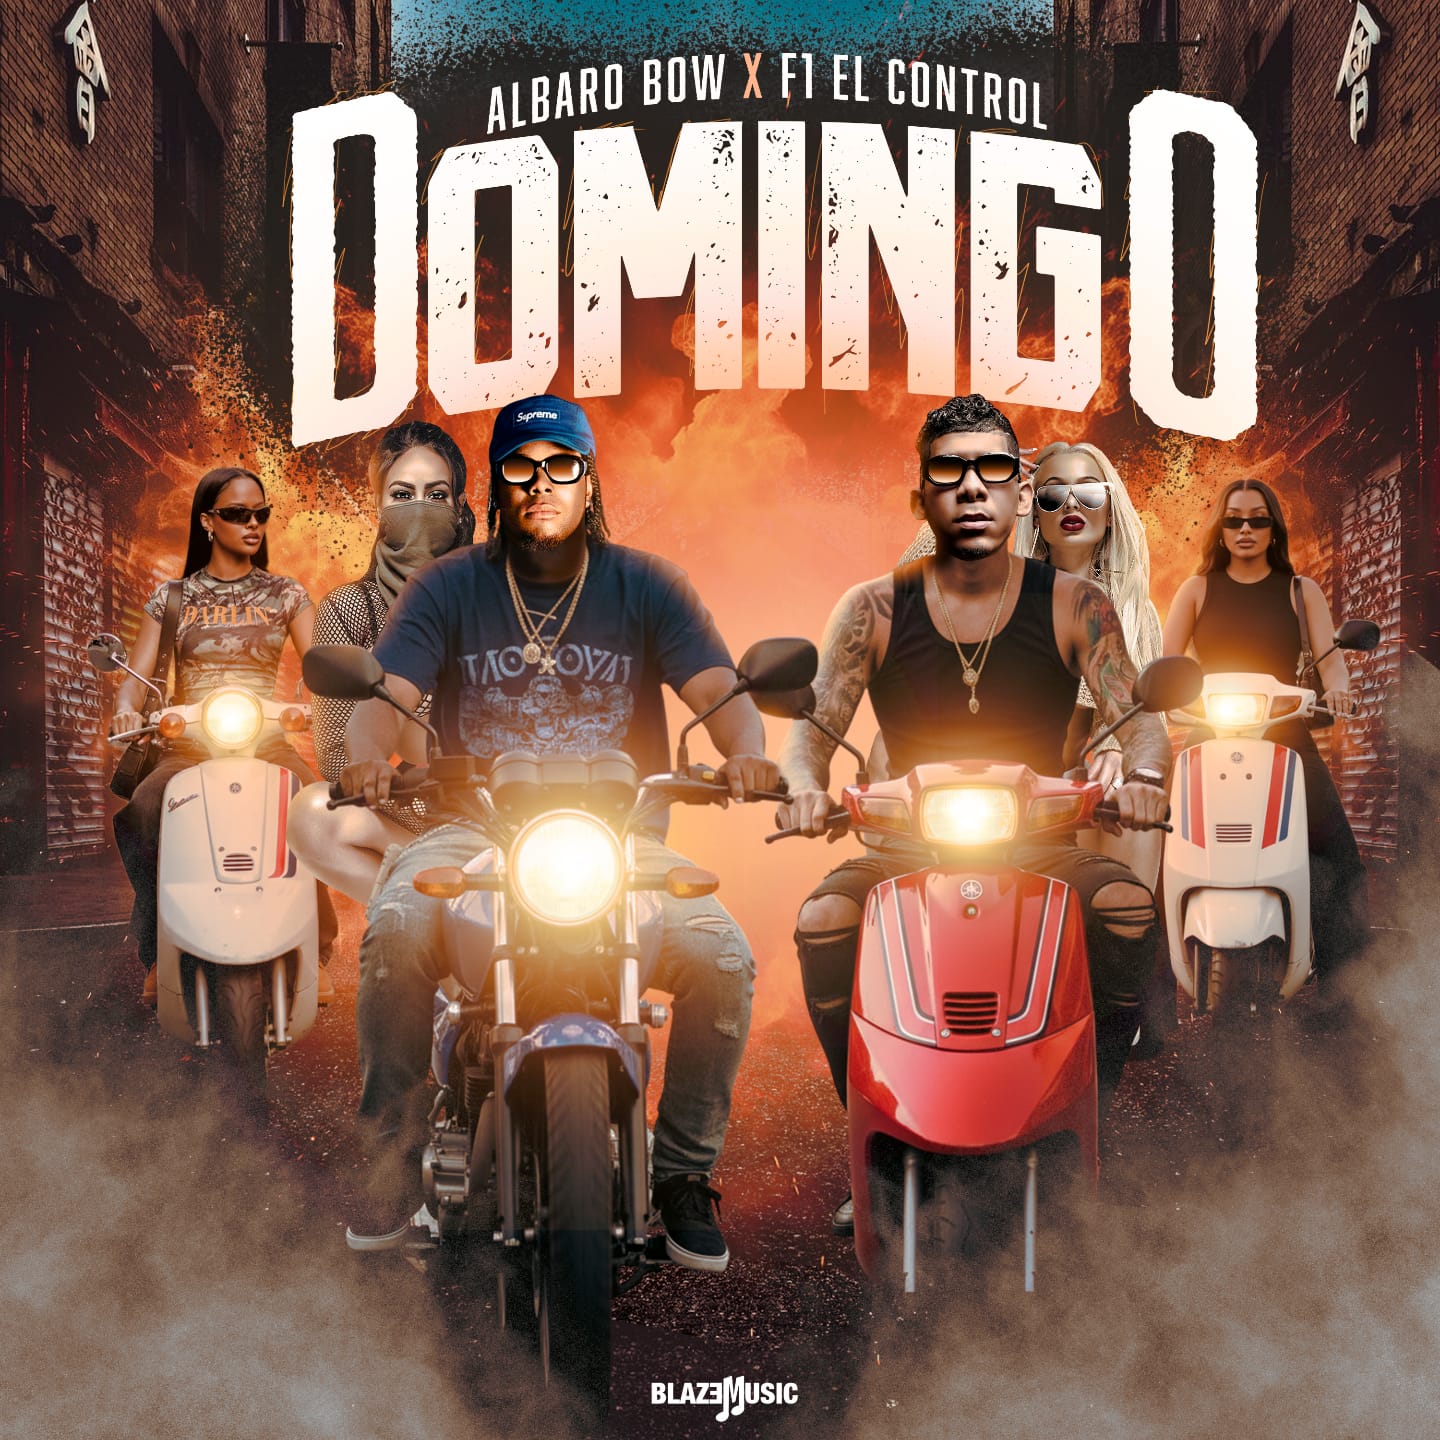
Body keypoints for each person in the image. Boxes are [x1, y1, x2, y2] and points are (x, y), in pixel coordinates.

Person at [337, 395, 782, 1270]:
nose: (540, 482)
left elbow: (720, 692)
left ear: (589, 479)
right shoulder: (448, 584)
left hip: (622, 839)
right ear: (497, 484)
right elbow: (385, 698)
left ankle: (683, 1173)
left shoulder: (647, 584)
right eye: (519, 466)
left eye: (560, 464)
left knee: (723, 958)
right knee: (394, 925)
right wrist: (365, 760)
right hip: (474, 829)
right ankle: (389, 1160)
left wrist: (748, 756)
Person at [777, 395, 1172, 1234]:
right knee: (823, 920)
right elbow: (815, 725)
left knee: (1125, 910)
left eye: (992, 468)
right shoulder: (871, 608)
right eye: (948, 469)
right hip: (903, 845)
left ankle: (1088, 1111)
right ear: (920, 492)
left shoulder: (1075, 604)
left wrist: (1143, 774)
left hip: (1041, 842)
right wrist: (806, 786)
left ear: (1020, 493)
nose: (971, 487)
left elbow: (1138, 714)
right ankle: (869, 1133)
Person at [109, 467, 338, 1005]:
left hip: (267, 740)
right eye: (237, 514)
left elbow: (323, 667)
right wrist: (124, 710)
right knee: (144, 809)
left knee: (317, 808)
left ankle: (316, 946)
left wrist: (331, 699)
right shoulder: (172, 597)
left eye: (260, 513)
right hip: (189, 744)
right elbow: (135, 681)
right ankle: (157, 948)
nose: (252, 524)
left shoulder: (287, 594)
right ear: (208, 521)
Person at [1162, 477, 1370, 989]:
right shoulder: (1197, 589)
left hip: (1283, 736)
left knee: (1340, 857)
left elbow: (1332, 664)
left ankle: (1344, 996)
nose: (1246, 529)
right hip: (1208, 736)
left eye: (1258, 519)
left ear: (1274, 528)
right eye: (1234, 519)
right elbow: (1167, 666)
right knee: (1162, 854)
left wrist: (1339, 691)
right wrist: (1161, 693)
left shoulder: (1302, 591)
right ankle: (1154, 998)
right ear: (1220, 528)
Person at [288, 421, 474, 902]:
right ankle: (416, 914)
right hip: (405, 825)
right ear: (378, 506)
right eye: (402, 495)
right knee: (314, 815)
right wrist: (399, 752)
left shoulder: (496, 594)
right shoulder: (348, 608)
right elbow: (337, 756)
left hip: (503, 823)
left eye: (436, 495)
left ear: (459, 505)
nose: (419, 509)